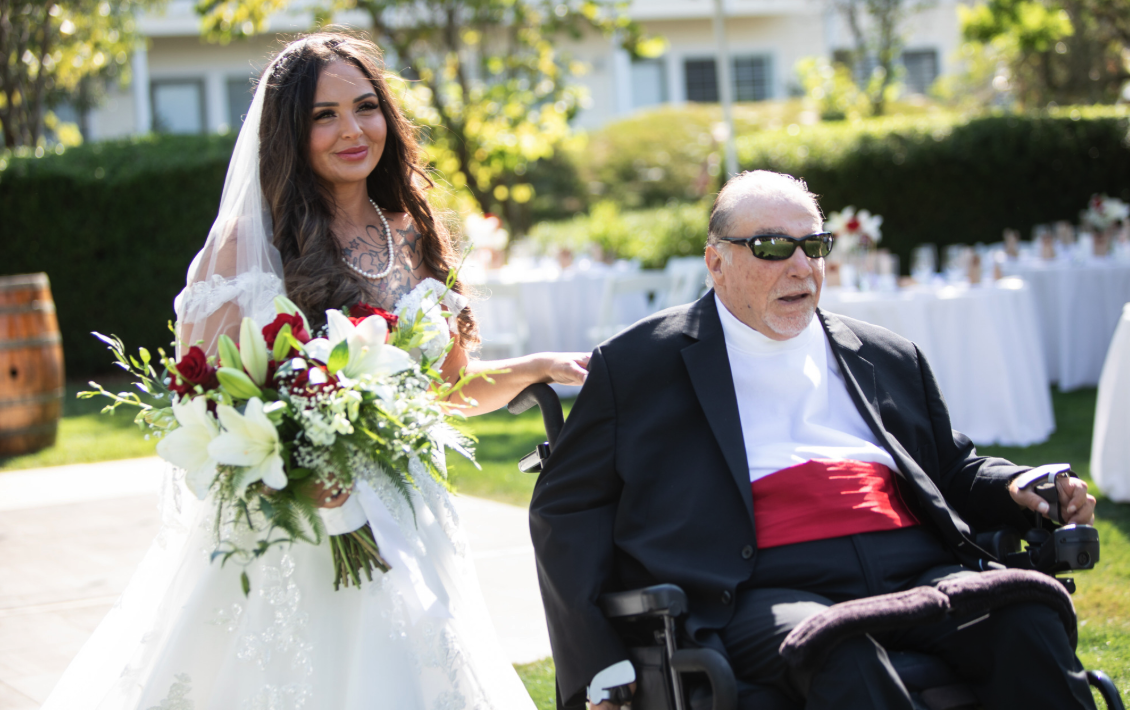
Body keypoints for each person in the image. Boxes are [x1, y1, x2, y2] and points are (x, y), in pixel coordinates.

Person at [43, 31, 587, 710]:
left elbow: (444, 392)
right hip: (298, 529)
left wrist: (533, 366)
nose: (352, 130)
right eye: (323, 116)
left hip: (409, 521)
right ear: (288, 133)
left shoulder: (412, 235)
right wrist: (308, 476)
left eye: (365, 106)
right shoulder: (249, 245)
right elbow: (210, 404)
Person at [529, 170, 1098, 710]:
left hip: (913, 566)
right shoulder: (638, 365)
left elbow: (950, 469)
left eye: (815, 245)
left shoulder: (885, 353)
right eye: (774, 247)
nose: (801, 266)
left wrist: (1020, 484)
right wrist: (599, 662)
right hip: (760, 583)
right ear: (716, 262)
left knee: (1024, 616)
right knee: (838, 649)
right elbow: (566, 506)